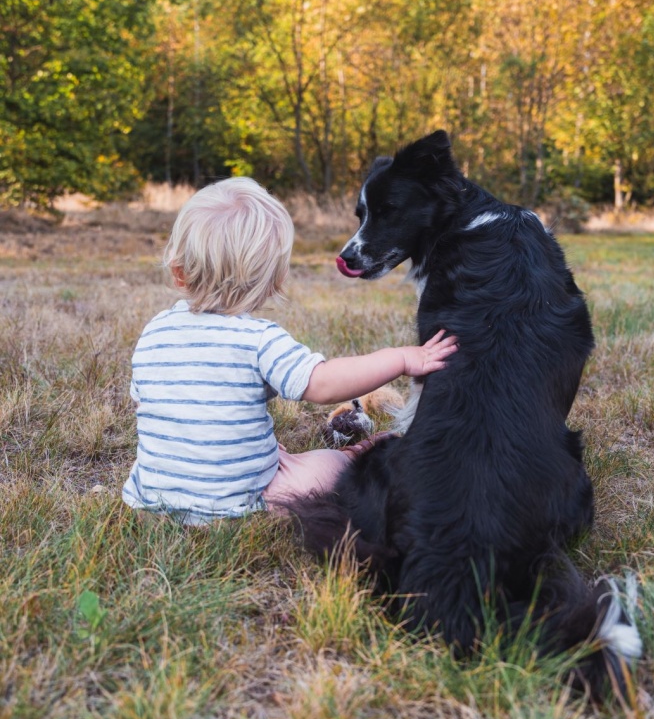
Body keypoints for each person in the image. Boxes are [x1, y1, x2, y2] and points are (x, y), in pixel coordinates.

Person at [122, 177, 457, 525]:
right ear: (273, 279)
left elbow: (148, 406)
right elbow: (322, 384)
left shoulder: (154, 330)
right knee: (325, 469)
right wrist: (400, 358)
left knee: (270, 456)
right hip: (244, 501)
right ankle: (358, 453)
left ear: (179, 272)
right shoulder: (258, 338)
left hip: (152, 498)